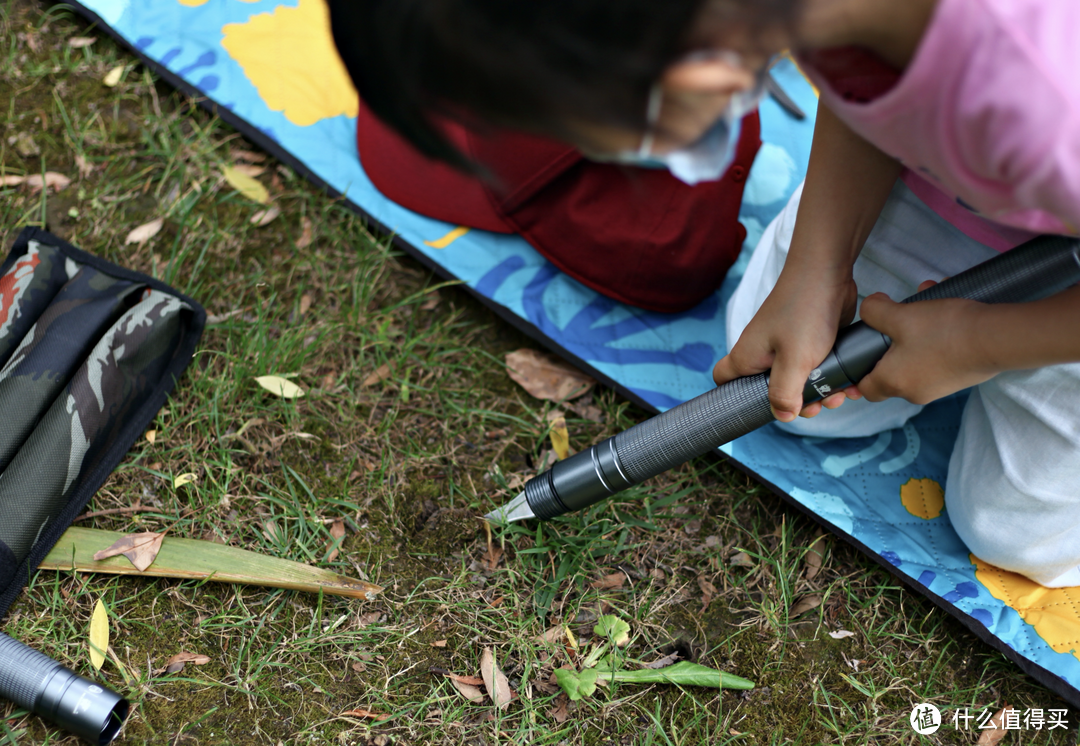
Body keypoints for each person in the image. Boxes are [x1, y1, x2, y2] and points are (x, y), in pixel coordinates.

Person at [327, 0, 1080, 587]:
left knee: (1015, 532)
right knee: (793, 386)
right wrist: (817, 267)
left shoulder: (1047, 102)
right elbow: (865, 87)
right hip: (965, 183)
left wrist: (979, 344)